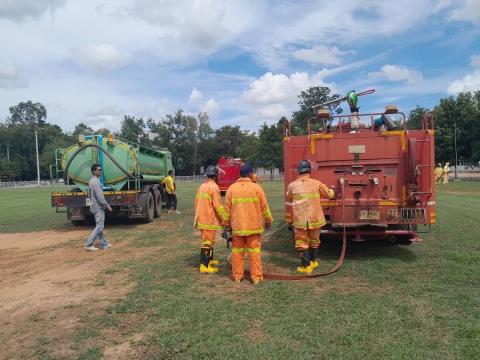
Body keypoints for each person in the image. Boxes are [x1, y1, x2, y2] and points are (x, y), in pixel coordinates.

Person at [224, 164, 273, 284]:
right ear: (251, 174)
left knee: (237, 253)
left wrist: (226, 224)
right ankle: (256, 277)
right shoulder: (257, 188)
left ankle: (237, 277)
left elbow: (227, 210)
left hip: (237, 228)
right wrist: (268, 221)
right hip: (254, 227)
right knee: (254, 253)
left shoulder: (231, 188)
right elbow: (264, 207)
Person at [286, 160, 335, 273]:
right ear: (309, 170)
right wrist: (332, 191)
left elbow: (288, 198)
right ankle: (313, 262)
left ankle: (306, 266)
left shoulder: (292, 185)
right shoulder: (317, 183)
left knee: (302, 243)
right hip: (315, 218)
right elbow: (329, 194)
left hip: (300, 220)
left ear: (298, 172)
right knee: (314, 241)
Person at [194, 166, 229, 274]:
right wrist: (226, 219)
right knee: (207, 242)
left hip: (201, 217)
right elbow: (218, 206)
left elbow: (196, 203)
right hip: (208, 219)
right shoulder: (214, 187)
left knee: (209, 240)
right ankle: (204, 266)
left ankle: (210, 261)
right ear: (216, 176)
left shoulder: (202, 186)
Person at [85, 163, 113, 251]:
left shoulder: (93, 180)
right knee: (100, 226)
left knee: (99, 226)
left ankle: (104, 244)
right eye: (99, 170)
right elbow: (100, 197)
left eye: (101, 169)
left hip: (95, 206)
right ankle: (89, 244)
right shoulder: (95, 182)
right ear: (94, 171)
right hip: (98, 206)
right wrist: (107, 205)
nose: (101, 171)